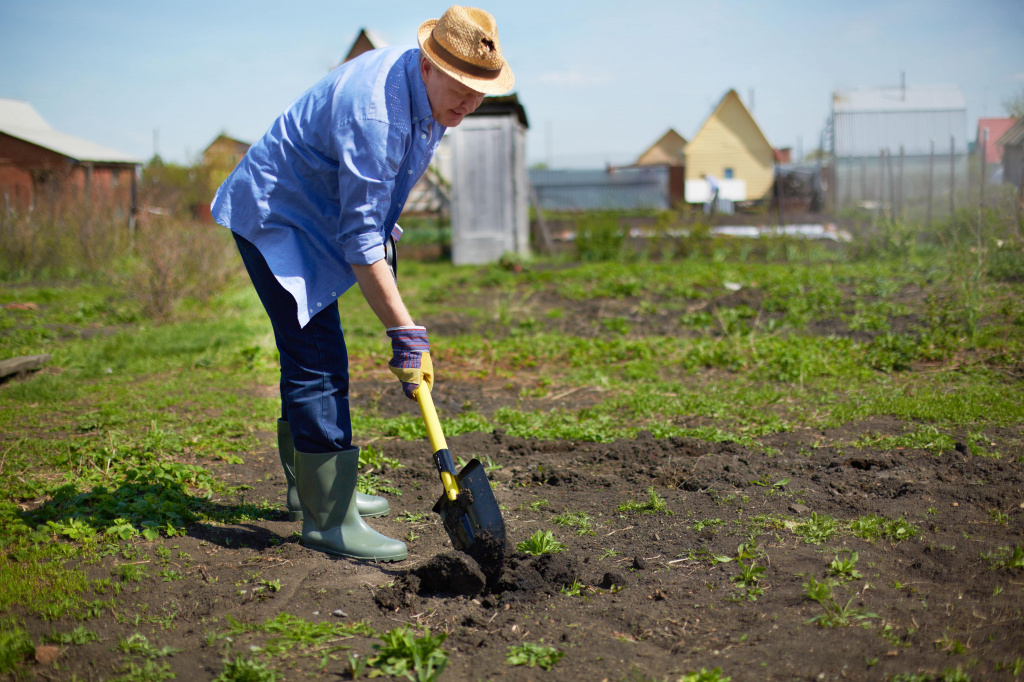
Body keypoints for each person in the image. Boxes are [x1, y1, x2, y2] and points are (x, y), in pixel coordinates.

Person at [211, 6, 514, 563]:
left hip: (313, 216)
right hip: (275, 218)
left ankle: (311, 490)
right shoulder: (377, 114)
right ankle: (329, 521)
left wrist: (402, 322)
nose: (471, 102)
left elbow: (374, 211)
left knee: (309, 352)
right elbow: (360, 239)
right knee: (318, 357)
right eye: (463, 88)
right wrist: (405, 331)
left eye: (481, 91)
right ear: (428, 64)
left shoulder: (427, 101)